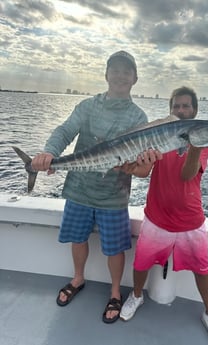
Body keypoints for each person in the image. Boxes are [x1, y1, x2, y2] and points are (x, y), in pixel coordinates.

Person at [31, 50, 148, 324]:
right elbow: (64, 131)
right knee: (78, 237)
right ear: (106, 74)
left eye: (126, 71)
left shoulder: (138, 117)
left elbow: (143, 165)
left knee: (115, 248)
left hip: (114, 196)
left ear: (135, 78)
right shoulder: (88, 106)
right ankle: (78, 278)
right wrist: (49, 153)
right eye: (115, 70)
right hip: (79, 190)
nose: (120, 75)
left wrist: (142, 163)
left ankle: (116, 292)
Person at [120, 86, 208, 345]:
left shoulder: (204, 141)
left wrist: (193, 144)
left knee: (201, 269)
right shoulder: (159, 136)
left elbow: (187, 174)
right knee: (141, 263)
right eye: (176, 106)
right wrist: (128, 165)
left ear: (194, 110)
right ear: (171, 110)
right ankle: (136, 295)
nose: (181, 110)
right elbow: (142, 172)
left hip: (190, 219)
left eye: (186, 106)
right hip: (156, 215)